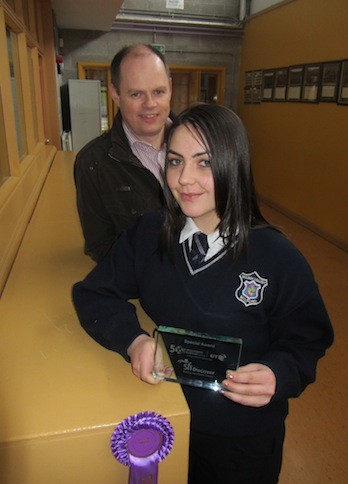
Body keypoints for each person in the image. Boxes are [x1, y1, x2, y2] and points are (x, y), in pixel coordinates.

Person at [72, 104, 334, 483]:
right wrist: (132, 341)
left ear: (234, 165)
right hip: (166, 422)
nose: (185, 179)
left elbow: (308, 341)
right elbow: (93, 294)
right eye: (175, 161)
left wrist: (280, 374)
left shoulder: (279, 259)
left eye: (205, 162)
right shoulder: (149, 233)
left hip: (242, 439)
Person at [74, 43, 173, 262]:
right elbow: (100, 246)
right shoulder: (92, 163)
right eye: (136, 94)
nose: (150, 104)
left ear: (170, 88)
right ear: (116, 95)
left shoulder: (205, 144)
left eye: (158, 91)